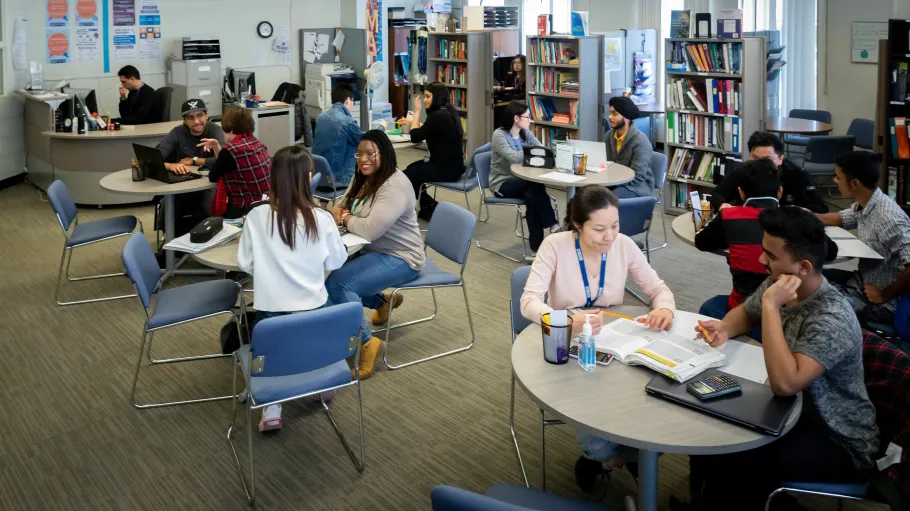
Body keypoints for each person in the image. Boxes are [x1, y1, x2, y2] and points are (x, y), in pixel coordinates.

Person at [691, 207, 879, 511]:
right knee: (710, 431)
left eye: (771, 256)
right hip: (794, 412)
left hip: (836, 439)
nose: (762, 260)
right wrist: (726, 326)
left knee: (736, 456)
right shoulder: (782, 281)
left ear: (803, 267)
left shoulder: (831, 317)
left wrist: (770, 307)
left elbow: (785, 383)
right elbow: (744, 313)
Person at [520, 185, 676, 493]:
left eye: (615, 226)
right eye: (600, 229)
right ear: (577, 225)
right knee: (599, 446)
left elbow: (659, 290)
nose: (610, 236)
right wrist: (566, 319)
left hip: (614, 342)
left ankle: (622, 454)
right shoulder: (555, 246)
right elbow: (529, 301)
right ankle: (606, 459)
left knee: (662, 425)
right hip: (569, 343)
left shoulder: (623, 246)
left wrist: (665, 310)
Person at [238, 145, 348, 433]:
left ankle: (272, 408)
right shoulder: (321, 218)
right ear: (308, 177)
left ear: (272, 178)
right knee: (315, 333)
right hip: (315, 314)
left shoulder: (256, 217)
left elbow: (246, 264)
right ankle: (322, 382)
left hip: (271, 318)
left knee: (270, 346)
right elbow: (336, 260)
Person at [325, 130, 425, 380]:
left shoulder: (394, 185)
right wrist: (339, 209)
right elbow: (338, 203)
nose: (363, 159)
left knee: (338, 284)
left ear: (385, 154)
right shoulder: (364, 177)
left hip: (401, 256)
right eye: (359, 154)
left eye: (371, 153)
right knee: (330, 277)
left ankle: (368, 344)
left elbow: (370, 229)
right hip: (371, 249)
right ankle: (380, 301)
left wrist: (346, 217)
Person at [816, 151, 910, 325]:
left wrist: (884, 294)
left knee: (814, 302)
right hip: (858, 280)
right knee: (806, 278)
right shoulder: (867, 202)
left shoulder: (889, 219)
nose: (834, 181)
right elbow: (842, 218)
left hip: (878, 304)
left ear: (854, 183)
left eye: (837, 177)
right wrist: (805, 216)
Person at [490, 100, 559, 257]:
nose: (530, 120)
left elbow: (541, 149)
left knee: (532, 196)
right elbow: (513, 157)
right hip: (502, 184)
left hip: (525, 183)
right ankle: (552, 224)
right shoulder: (499, 135)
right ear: (516, 118)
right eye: (527, 117)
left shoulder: (525, 133)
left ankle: (537, 249)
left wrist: (533, 151)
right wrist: (531, 152)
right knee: (534, 187)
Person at [710, 131, 828, 213]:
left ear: (780, 159)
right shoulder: (743, 171)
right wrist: (723, 205)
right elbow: (717, 194)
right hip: (749, 226)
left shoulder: (796, 174)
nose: (760, 164)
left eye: (767, 159)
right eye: (755, 158)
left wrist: (797, 211)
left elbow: (821, 208)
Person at [401, 82, 465, 220]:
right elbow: (430, 129)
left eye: (428, 97)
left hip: (444, 169)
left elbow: (415, 137)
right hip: (455, 167)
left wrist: (416, 112)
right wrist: (412, 122)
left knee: (406, 175)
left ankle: (428, 206)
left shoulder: (437, 116)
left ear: (437, 97)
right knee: (413, 169)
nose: (425, 100)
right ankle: (428, 206)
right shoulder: (448, 112)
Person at [197, 107, 271, 218]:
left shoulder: (231, 150)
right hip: (267, 203)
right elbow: (225, 164)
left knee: (205, 211)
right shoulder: (256, 142)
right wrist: (217, 147)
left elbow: (213, 176)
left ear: (231, 129)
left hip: (244, 208)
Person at [312, 84, 362, 187]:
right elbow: (366, 141)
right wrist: (381, 128)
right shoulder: (347, 122)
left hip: (318, 176)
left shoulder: (321, 117)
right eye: (353, 102)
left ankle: (324, 203)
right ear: (348, 100)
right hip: (339, 179)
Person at [157, 99, 225, 174]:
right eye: (190, 118)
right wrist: (170, 166)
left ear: (206, 116)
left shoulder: (215, 130)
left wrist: (194, 160)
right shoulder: (177, 132)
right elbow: (154, 158)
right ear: (185, 121)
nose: (196, 121)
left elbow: (224, 160)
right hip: (185, 174)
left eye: (200, 115)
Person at [604, 96, 653, 198]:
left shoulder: (640, 141)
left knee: (610, 197)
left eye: (614, 113)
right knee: (585, 192)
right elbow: (605, 163)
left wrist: (611, 182)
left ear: (626, 118)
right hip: (612, 181)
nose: (609, 116)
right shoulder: (608, 136)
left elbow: (638, 177)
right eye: (610, 112)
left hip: (637, 186)